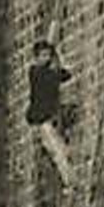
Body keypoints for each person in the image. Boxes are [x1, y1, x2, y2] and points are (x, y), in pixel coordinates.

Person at [26, 31, 75, 186]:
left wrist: (57, 56)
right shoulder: (35, 72)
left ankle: (68, 180)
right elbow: (56, 75)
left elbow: (66, 74)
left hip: (51, 117)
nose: (46, 58)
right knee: (57, 150)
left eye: (47, 55)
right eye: (43, 55)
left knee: (58, 148)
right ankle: (69, 182)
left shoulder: (49, 71)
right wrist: (55, 58)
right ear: (37, 58)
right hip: (42, 120)